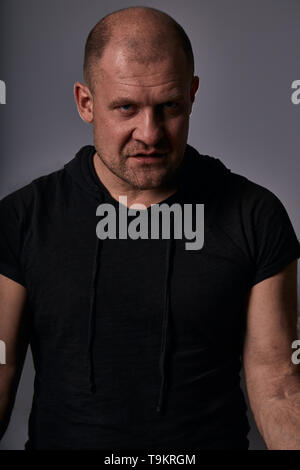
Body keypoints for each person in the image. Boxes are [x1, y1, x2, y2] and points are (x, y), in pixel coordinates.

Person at [0, 6, 300, 451]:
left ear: (193, 95)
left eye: (169, 107)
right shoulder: (24, 218)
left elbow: (278, 379)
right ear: (86, 103)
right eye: (125, 107)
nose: (150, 133)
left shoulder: (254, 215)